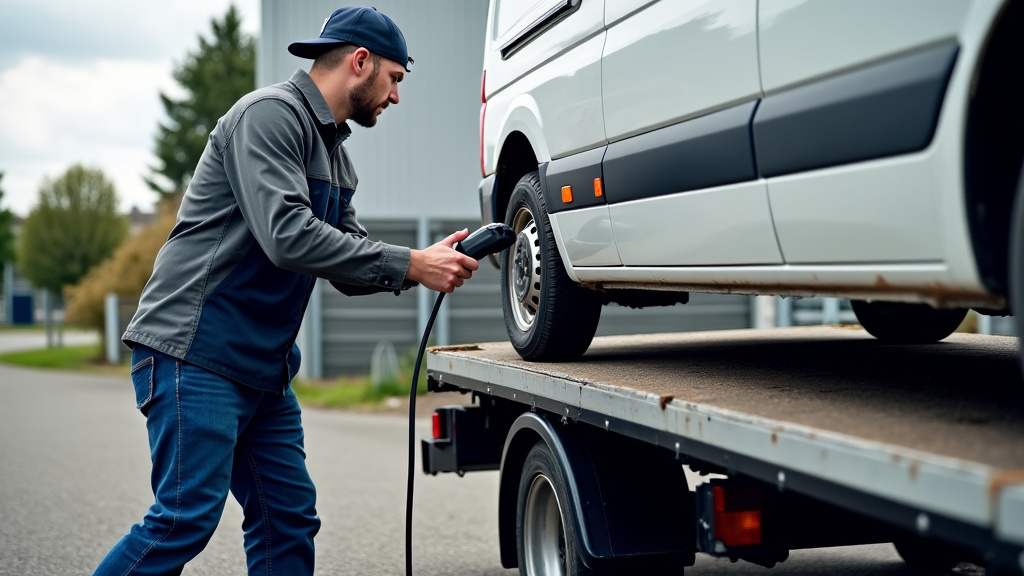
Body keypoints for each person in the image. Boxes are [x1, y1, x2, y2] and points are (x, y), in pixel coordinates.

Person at [93, 6, 479, 575]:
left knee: (287, 518)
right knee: (184, 518)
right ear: (361, 61)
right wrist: (410, 262)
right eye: (395, 79)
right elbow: (287, 237)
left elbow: (346, 266)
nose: (396, 97)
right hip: (195, 352)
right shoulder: (268, 116)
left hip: (262, 368)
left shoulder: (337, 157)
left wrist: (422, 263)